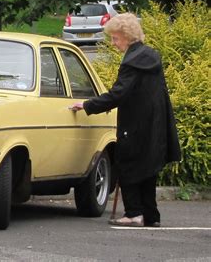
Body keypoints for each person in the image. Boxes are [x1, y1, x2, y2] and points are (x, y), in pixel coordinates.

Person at [71, 13, 181, 227]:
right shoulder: (151, 57)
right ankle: (151, 216)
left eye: (115, 38)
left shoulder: (131, 62)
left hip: (134, 124)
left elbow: (118, 94)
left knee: (127, 163)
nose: (113, 43)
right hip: (154, 124)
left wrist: (87, 105)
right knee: (148, 168)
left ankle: (133, 214)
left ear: (127, 36)